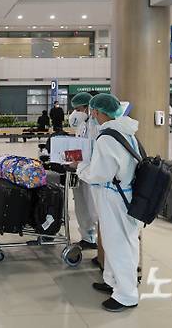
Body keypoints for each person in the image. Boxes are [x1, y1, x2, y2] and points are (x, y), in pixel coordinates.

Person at [74, 93, 140, 312]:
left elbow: (99, 174)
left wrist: (79, 167)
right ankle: (112, 281)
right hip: (126, 194)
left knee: (119, 245)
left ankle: (127, 295)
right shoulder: (125, 131)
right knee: (119, 242)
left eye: (92, 110)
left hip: (115, 197)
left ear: (98, 112)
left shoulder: (107, 138)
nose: (90, 114)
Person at [69, 92, 99, 251]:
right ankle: (87, 238)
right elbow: (79, 144)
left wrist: (79, 161)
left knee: (94, 208)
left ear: (88, 108)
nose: (75, 112)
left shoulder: (97, 126)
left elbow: (95, 150)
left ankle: (100, 245)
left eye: (78, 109)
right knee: (81, 206)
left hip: (91, 173)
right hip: (80, 170)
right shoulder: (81, 124)